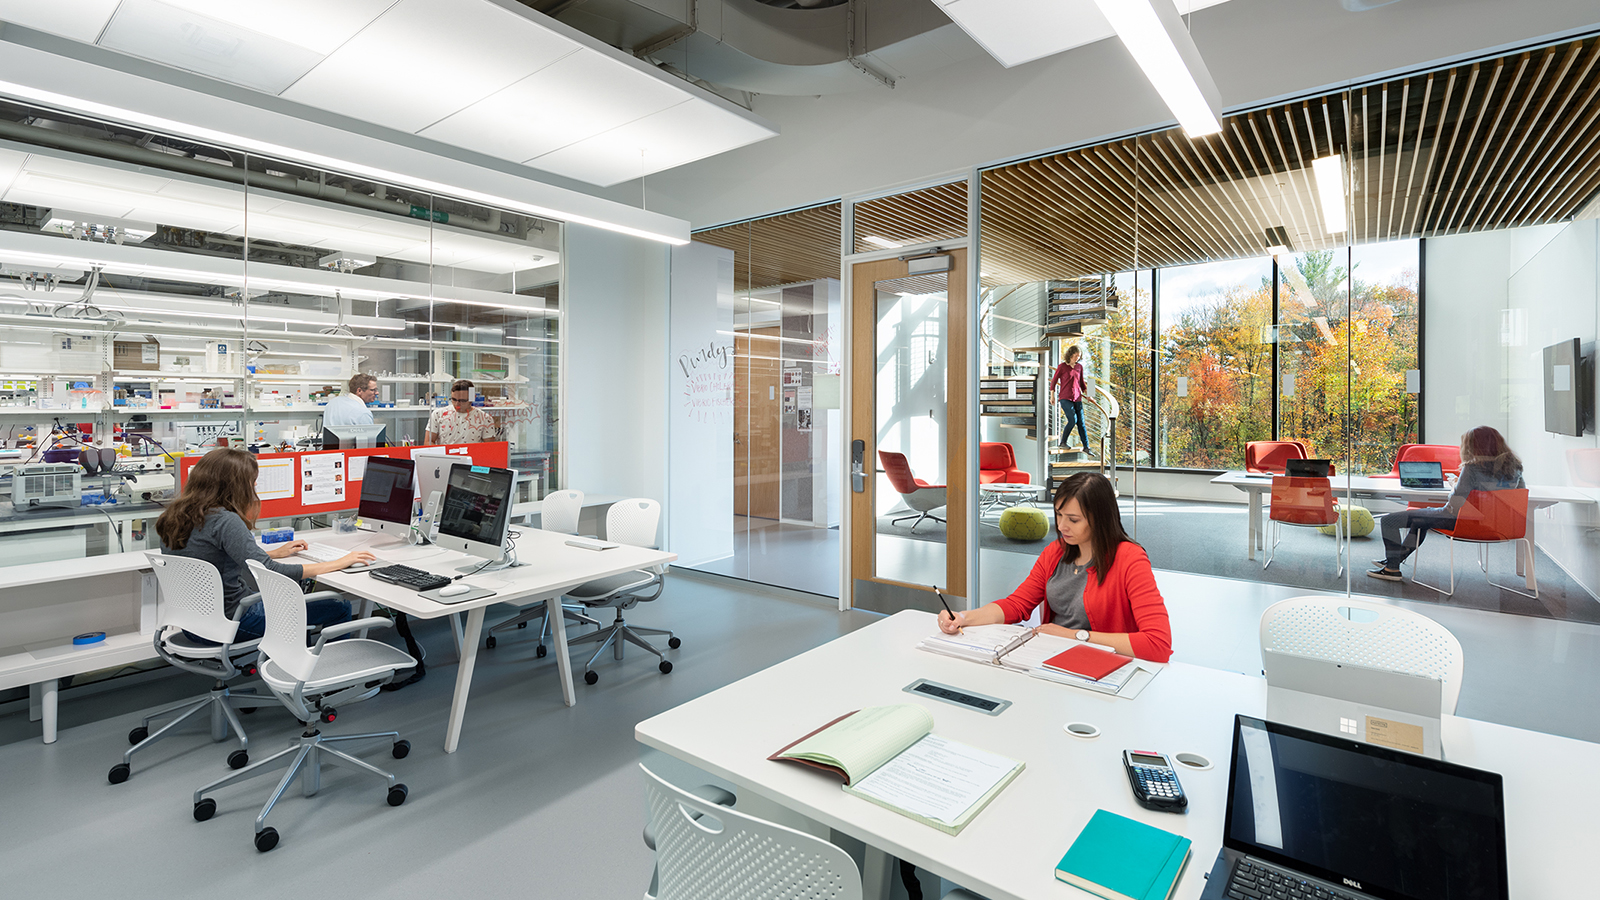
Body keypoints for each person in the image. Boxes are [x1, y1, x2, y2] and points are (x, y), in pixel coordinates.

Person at [938, 472, 1173, 662]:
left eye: (1073, 519)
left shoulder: (1130, 559)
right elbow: (1017, 604)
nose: (1061, 526)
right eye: (1059, 515)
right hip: (1051, 656)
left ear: (1100, 519)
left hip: (1100, 662)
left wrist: (1075, 637)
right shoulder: (1056, 551)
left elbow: (1158, 644)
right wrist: (964, 617)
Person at [156, 447, 374, 641]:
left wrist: (273, 552)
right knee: (338, 606)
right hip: (235, 622)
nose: (255, 486)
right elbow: (271, 571)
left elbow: (209, 554)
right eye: (251, 481)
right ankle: (329, 678)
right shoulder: (225, 521)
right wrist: (339, 562)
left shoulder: (176, 515)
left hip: (193, 623)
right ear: (236, 486)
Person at [1368, 426, 1526, 582]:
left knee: (1388, 520)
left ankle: (1392, 569)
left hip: (1460, 520)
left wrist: (1455, 486)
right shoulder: (1515, 467)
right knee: (1419, 521)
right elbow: (1517, 495)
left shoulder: (1472, 468)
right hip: (1494, 524)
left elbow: (1454, 504)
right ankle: (1394, 561)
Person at [425, 379, 498, 444]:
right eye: (454, 399)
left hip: (472, 458)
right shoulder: (438, 414)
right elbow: (428, 442)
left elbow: (489, 447)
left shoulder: (485, 418)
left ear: (472, 398)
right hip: (445, 458)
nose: (457, 404)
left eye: (462, 400)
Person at [1050, 345, 1091, 456]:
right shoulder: (1062, 366)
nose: (1077, 358)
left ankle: (1086, 447)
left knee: (1081, 423)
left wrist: (1090, 395)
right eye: (1076, 355)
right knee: (1073, 420)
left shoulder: (1079, 367)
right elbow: (1053, 381)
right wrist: (1052, 396)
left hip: (1077, 397)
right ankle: (1063, 442)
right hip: (1065, 397)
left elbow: (1082, 383)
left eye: (1079, 356)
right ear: (1071, 354)